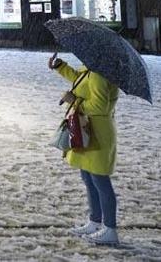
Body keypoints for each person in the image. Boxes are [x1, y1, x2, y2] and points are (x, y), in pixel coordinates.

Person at [49, 52, 121, 245]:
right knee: (88, 178)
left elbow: (100, 106)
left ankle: (110, 229)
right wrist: (60, 66)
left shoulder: (100, 73)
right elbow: (79, 78)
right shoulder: (91, 69)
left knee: (100, 181)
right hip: (86, 130)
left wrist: (74, 100)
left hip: (97, 133)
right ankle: (95, 221)